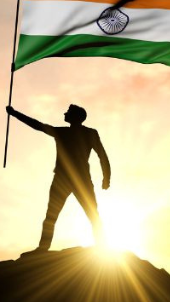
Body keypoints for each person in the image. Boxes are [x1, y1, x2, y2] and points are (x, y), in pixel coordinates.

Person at [6, 104, 110, 253]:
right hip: (72, 179)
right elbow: (38, 126)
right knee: (60, 214)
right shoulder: (73, 133)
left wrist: (15, 114)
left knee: (83, 214)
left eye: (68, 112)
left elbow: (102, 155)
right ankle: (44, 247)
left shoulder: (73, 133)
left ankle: (100, 246)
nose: (65, 113)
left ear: (75, 117)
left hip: (70, 179)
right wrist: (106, 178)